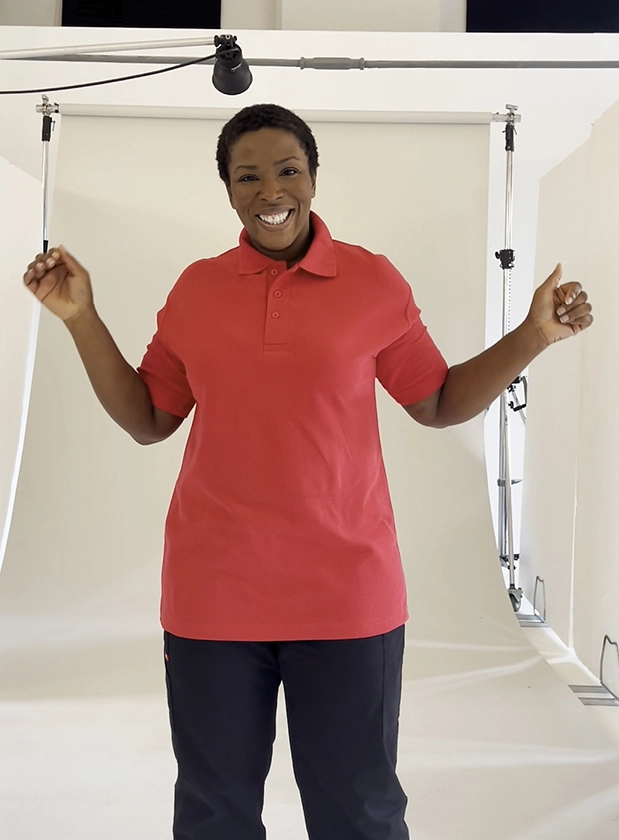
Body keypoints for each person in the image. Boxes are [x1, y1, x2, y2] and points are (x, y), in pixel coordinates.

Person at [22, 103, 593, 840]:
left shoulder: (372, 282)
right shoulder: (196, 291)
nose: (270, 191)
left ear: (314, 179)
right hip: (213, 597)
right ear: (227, 190)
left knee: (358, 814)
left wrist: (533, 334)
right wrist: (80, 318)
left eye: (287, 170)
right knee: (213, 813)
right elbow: (147, 420)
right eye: (247, 176)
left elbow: (439, 400)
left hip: (347, 593)